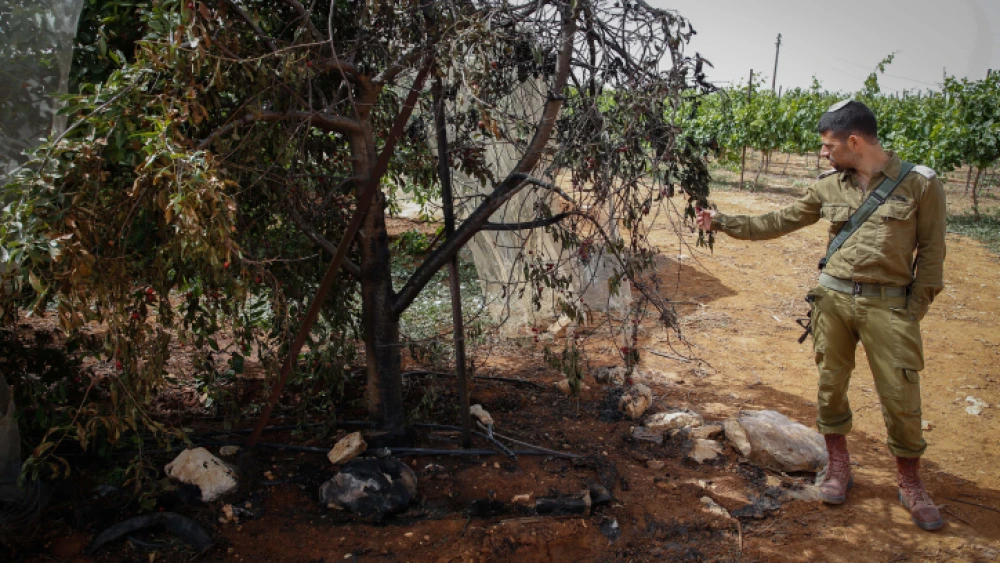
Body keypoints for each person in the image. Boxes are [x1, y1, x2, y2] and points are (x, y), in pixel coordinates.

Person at [696, 100, 946, 531]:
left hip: (891, 306)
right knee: (831, 386)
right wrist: (721, 222)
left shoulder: (920, 185)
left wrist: (912, 312)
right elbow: (780, 220)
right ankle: (838, 467)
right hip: (832, 301)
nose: (824, 154)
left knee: (902, 397)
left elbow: (934, 256)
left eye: (829, 146)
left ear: (854, 141)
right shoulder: (829, 185)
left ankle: (910, 482)